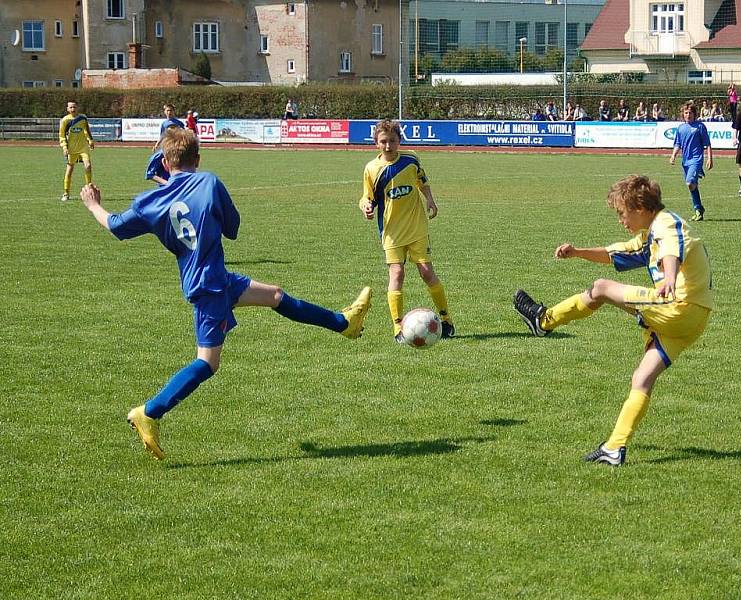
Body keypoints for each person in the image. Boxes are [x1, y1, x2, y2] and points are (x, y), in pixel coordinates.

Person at [79, 128, 373, 460]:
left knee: (275, 295)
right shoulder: (209, 183)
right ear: (198, 160)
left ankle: (343, 323)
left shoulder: (151, 202)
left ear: (164, 161)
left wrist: (93, 205)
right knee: (208, 363)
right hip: (210, 286)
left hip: (215, 279)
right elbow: (232, 229)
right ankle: (150, 411)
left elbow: (116, 226)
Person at [513, 175, 713, 466]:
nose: (621, 219)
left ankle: (543, 321)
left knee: (602, 287)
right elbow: (615, 252)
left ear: (640, 207)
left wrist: (669, 278)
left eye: (622, 212)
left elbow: (672, 250)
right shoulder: (649, 234)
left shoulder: (665, 224)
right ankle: (614, 448)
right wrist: (578, 252)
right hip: (692, 321)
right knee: (642, 379)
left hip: (678, 305)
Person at [359, 119, 454, 342]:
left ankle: (446, 319)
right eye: (383, 141)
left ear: (399, 140)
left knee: (426, 272)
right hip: (391, 231)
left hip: (416, 227)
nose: (388, 146)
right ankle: (398, 327)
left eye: (392, 141)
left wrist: (430, 200)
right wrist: (365, 205)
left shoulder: (411, 160)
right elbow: (367, 196)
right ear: (376, 143)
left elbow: (422, 181)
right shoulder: (372, 169)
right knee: (397, 273)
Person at [670, 102, 713, 221]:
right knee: (692, 186)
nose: (688, 115)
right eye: (686, 113)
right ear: (683, 114)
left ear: (694, 114)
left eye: (690, 113)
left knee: (689, 183)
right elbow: (678, 143)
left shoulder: (700, 127)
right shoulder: (681, 128)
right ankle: (699, 210)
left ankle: (698, 208)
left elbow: (707, 144)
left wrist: (710, 158)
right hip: (685, 161)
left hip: (696, 159)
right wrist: (673, 156)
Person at [58, 100, 95, 202]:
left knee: (88, 166)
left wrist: (90, 140)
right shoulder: (65, 121)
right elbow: (62, 136)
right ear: (67, 109)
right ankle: (66, 193)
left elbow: (86, 130)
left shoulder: (83, 118)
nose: (73, 109)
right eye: (70, 107)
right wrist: (65, 148)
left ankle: (89, 189)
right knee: (69, 171)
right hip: (72, 149)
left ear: (77, 107)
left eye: (74, 107)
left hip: (83, 147)